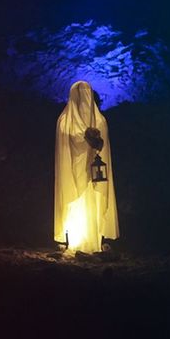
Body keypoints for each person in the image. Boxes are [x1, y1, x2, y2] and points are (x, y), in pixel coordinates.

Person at [53, 80, 118, 254]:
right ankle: (76, 241)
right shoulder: (65, 121)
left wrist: (92, 139)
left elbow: (101, 142)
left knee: (92, 204)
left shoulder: (99, 121)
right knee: (77, 203)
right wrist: (84, 137)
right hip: (74, 172)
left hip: (92, 175)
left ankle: (94, 240)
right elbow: (66, 142)